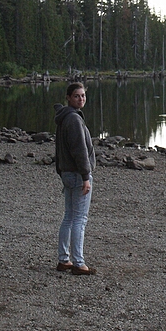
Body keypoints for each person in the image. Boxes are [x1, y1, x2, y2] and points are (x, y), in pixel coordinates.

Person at [53, 82, 96, 275]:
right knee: (79, 218)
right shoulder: (73, 120)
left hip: (68, 174)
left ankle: (64, 260)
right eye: (77, 96)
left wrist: (61, 171)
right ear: (68, 98)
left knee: (69, 217)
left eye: (83, 95)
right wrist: (86, 176)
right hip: (77, 175)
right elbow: (79, 151)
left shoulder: (65, 118)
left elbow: (61, 149)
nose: (81, 99)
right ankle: (78, 263)